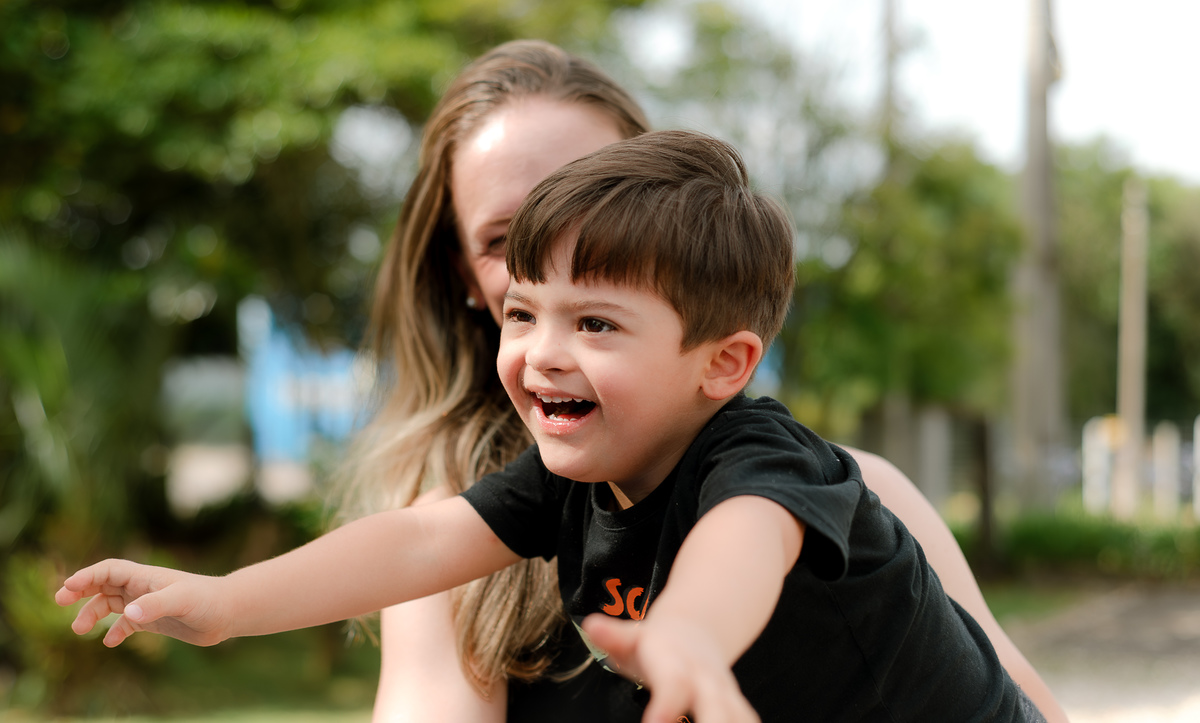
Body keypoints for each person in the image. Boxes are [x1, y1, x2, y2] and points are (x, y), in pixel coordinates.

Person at [58, 130, 1048, 723]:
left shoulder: (763, 458)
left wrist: (688, 635)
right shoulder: (574, 476)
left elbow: (742, 545)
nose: (542, 352)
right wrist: (228, 602)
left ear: (723, 363)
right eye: (524, 312)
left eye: (596, 324)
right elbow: (419, 542)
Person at [330, 39, 1066, 723]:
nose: (556, 251)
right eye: (505, 238)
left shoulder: (851, 491)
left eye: (597, 208)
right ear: (463, 273)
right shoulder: (451, 543)